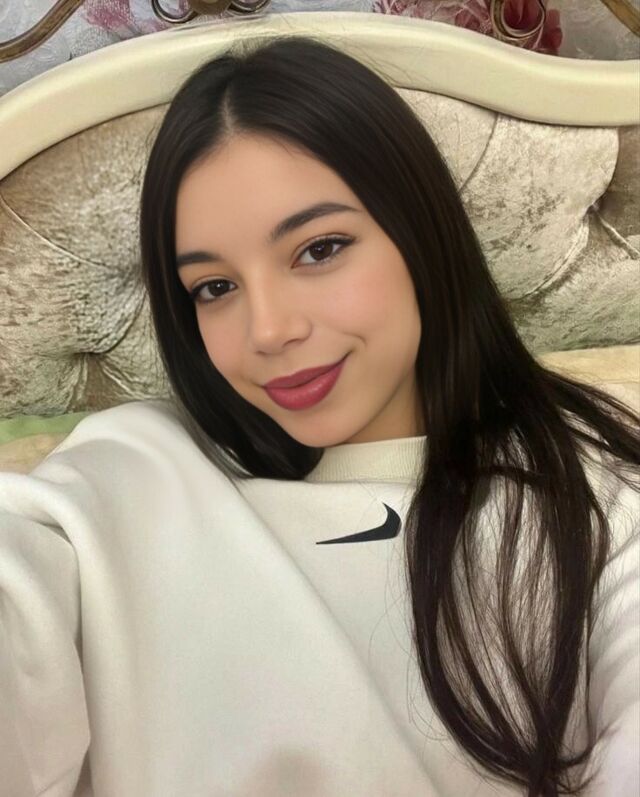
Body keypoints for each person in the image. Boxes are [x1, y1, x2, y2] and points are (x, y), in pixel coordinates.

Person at [1, 34, 638, 797]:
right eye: (214, 288)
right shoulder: (132, 466)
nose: (269, 330)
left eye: (319, 248)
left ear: (420, 233)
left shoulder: (593, 496)